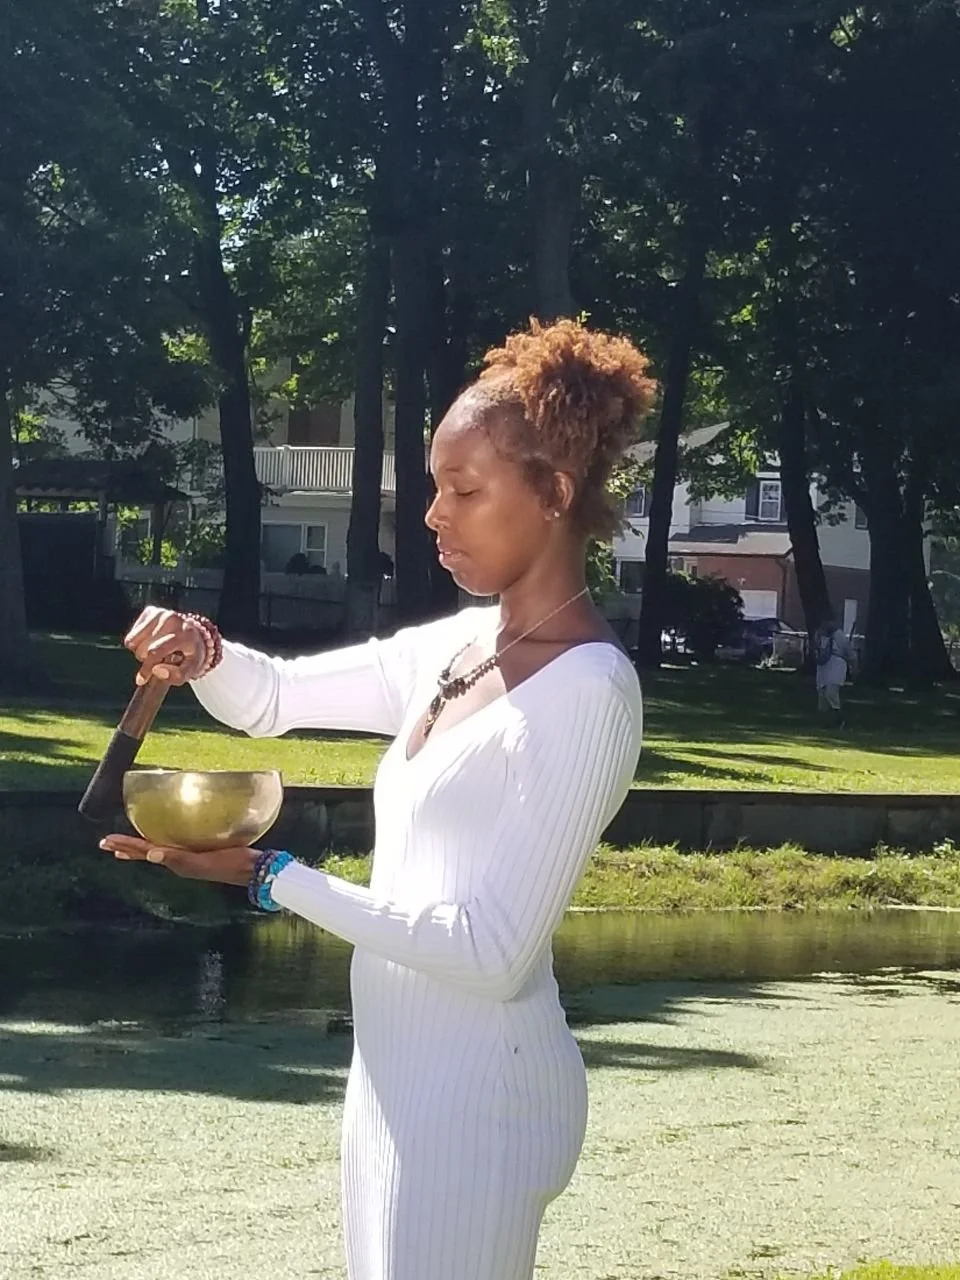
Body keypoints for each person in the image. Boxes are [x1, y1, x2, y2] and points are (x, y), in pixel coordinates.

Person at [101, 318, 654, 1280]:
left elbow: (490, 953)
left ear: (556, 494)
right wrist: (204, 651)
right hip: (393, 1075)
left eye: (465, 491)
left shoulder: (589, 691)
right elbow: (275, 699)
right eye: (436, 488)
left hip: (481, 1099)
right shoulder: (458, 645)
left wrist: (272, 878)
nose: (434, 515)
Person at [814, 613, 852, 727]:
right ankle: (826, 722)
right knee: (822, 695)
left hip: (837, 666)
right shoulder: (819, 634)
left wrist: (853, 666)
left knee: (831, 692)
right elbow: (816, 649)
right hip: (823, 666)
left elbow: (849, 652)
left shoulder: (839, 635)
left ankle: (839, 718)